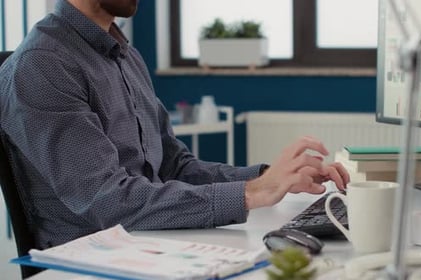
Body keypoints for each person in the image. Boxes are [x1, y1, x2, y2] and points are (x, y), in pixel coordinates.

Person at [0, 0, 350, 250]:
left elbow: (174, 166)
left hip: (149, 243)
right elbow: (106, 202)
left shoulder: (125, 56)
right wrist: (253, 193)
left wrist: (272, 178)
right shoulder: (42, 66)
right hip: (91, 260)